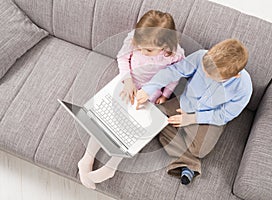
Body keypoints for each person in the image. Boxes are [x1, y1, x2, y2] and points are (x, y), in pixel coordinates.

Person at [78, 10, 185, 189]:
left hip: (151, 91)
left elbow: (175, 75)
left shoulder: (174, 54)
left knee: (134, 126)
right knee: (106, 118)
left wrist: (166, 94)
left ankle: (111, 166)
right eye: (139, 46)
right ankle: (87, 158)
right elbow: (122, 58)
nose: (142, 51)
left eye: (148, 50)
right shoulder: (132, 39)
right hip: (128, 81)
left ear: (165, 45)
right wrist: (127, 81)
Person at [136, 39, 252, 185]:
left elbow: (224, 115)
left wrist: (191, 119)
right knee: (154, 117)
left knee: (200, 150)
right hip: (184, 103)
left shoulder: (244, 88)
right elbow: (173, 71)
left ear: (234, 76)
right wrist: (148, 89)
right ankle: (189, 164)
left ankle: (184, 148)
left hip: (210, 117)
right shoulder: (201, 56)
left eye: (213, 76)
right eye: (205, 71)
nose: (208, 76)